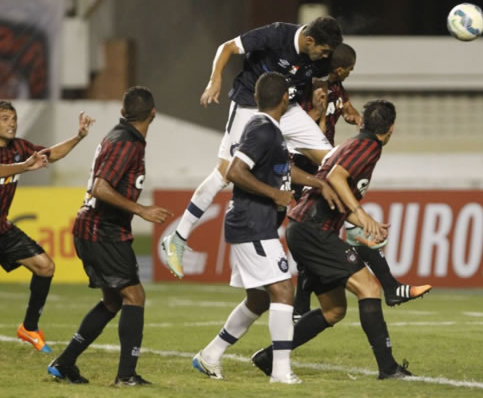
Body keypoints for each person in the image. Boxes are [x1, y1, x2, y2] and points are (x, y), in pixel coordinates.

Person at [251, 100, 427, 380]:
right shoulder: (368, 146)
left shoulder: (351, 145)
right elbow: (336, 178)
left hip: (303, 228)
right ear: (391, 128)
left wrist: (366, 223)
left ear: (363, 122)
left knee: (333, 310)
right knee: (369, 288)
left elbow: (335, 194)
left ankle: (269, 357)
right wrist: (361, 213)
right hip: (313, 229)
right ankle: (388, 368)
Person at [161, 16, 343, 279]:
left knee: (334, 160)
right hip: (249, 107)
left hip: (288, 110)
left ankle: (352, 228)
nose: (325, 57)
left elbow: (319, 80)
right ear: (310, 40)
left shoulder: (321, 57)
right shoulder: (276, 35)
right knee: (224, 174)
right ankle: (178, 237)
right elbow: (227, 47)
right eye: (323, 51)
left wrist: (322, 97)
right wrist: (215, 79)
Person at [192, 72, 343, 384]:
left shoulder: (269, 129)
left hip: (255, 222)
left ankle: (210, 354)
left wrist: (316, 182)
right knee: (283, 290)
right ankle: (281, 371)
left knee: (259, 299)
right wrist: (275, 194)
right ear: (286, 99)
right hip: (252, 223)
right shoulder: (262, 129)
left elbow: (284, 169)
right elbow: (235, 171)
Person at [292, 44, 430, 321]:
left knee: (352, 234)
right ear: (339, 68)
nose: (350, 74)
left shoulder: (336, 89)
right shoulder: (311, 89)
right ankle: (300, 308)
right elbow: (300, 133)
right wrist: (320, 116)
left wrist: (355, 116)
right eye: (350, 70)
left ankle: (389, 288)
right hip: (306, 171)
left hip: (325, 162)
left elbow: (346, 108)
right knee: (317, 235)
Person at [47, 87, 173, 386]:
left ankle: (64, 363)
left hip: (96, 228)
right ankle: (126, 376)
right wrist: (141, 210)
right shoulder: (125, 142)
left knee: (113, 301)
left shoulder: (122, 137)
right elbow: (100, 188)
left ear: (122, 112)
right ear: (153, 113)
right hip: (102, 230)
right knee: (134, 296)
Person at [0, 100, 93, 353]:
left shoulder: (20, 147)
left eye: (13, 118)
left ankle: (29, 328)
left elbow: (51, 154)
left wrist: (78, 137)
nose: (12, 123)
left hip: (2, 230)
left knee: (45, 267)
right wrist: (24, 166)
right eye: (5, 119)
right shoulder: (20, 159)